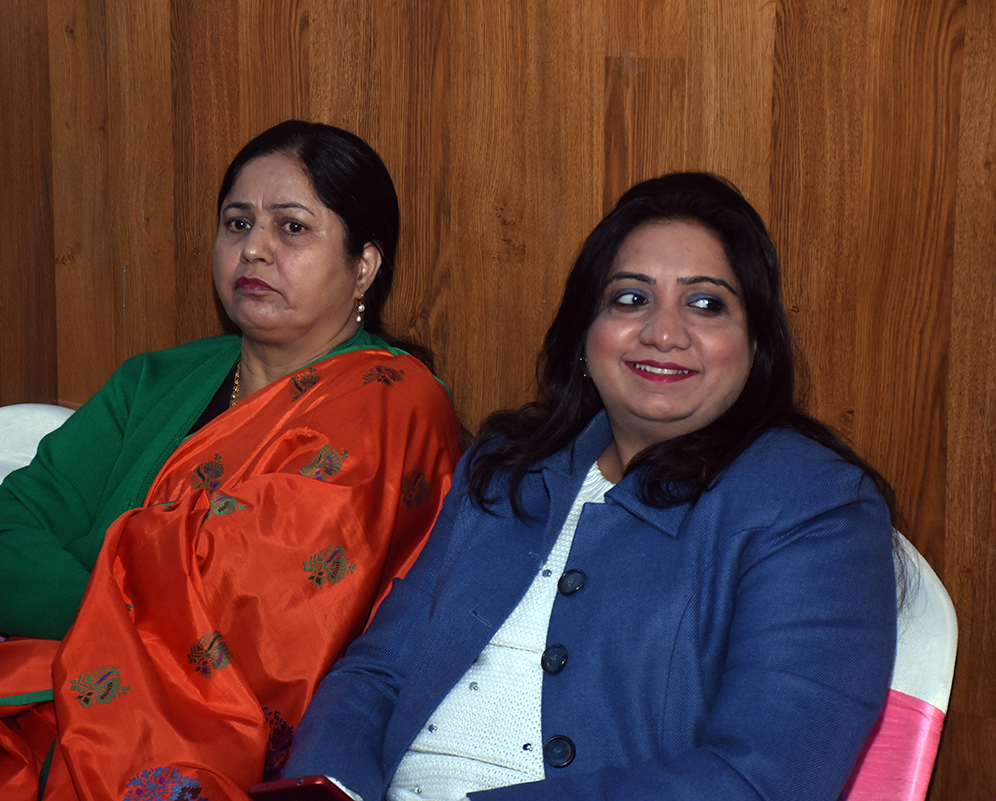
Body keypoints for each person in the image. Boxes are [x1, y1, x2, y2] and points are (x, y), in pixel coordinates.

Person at [0, 120, 461, 800]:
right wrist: (125, 621)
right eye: (237, 224)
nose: (254, 248)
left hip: (211, 751)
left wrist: (104, 614)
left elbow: (263, 616)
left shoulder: (392, 401)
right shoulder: (152, 384)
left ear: (364, 264)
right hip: (34, 715)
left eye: (291, 228)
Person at [282, 172, 899, 801]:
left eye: (706, 304)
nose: (663, 332)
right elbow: (376, 676)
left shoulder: (818, 506)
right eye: (631, 299)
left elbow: (761, 779)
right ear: (585, 332)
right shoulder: (506, 467)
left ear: (755, 343)